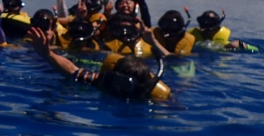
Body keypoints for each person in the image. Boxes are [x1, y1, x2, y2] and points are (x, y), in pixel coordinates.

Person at [28, 22, 170, 100]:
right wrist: (47, 54)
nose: (115, 87)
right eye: (112, 80)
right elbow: (71, 69)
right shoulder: (102, 82)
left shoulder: (152, 96)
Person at [187, 10, 258, 52]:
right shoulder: (191, 40)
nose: (205, 31)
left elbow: (256, 49)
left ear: (217, 29)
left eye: (208, 30)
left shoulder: (226, 44)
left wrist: (242, 45)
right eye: (202, 28)